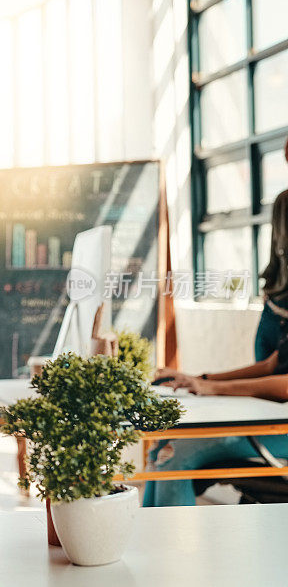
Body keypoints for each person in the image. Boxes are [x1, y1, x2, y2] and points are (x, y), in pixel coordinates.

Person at [143, 354, 288, 507]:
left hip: (281, 429)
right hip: (271, 422)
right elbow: (269, 365)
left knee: (173, 454)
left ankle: (174, 531)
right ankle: (149, 528)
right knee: (159, 448)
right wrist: (203, 380)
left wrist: (211, 387)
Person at [254, 137, 288, 360]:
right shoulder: (282, 202)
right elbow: (274, 256)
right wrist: (267, 290)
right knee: (258, 390)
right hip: (273, 314)